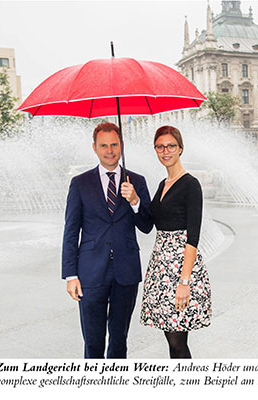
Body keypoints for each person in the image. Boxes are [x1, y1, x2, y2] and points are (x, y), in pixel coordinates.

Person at [62, 122, 153, 358]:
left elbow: (146, 225)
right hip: (90, 272)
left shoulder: (137, 181)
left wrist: (135, 201)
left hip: (126, 272)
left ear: (122, 145)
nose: (110, 150)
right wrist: (71, 275)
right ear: (94, 148)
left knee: (119, 341)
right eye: (104, 145)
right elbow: (71, 231)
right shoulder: (80, 183)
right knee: (92, 342)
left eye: (114, 144)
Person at [140, 126, 211, 358]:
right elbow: (147, 224)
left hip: (180, 268)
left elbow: (193, 237)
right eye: (160, 147)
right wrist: (133, 200)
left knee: (178, 341)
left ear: (180, 148)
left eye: (171, 146)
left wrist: (184, 282)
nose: (165, 151)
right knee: (171, 339)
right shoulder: (162, 184)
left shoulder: (190, 184)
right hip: (161, 267)